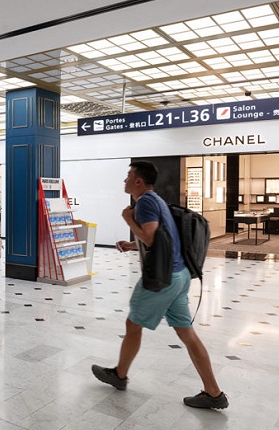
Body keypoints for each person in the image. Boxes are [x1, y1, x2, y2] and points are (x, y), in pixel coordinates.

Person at [91, 161, 228, 410]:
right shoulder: (156, 200)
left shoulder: (143, 202)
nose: (125, 180)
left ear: (138, 181)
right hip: (179, 274)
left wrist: (127, 219)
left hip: (162, 278)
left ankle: (119, 375)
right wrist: (133, 244)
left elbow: (151, 237)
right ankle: (213, 392)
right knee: (186, 333)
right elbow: (165, 237)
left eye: (128, 176)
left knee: (133, 324)